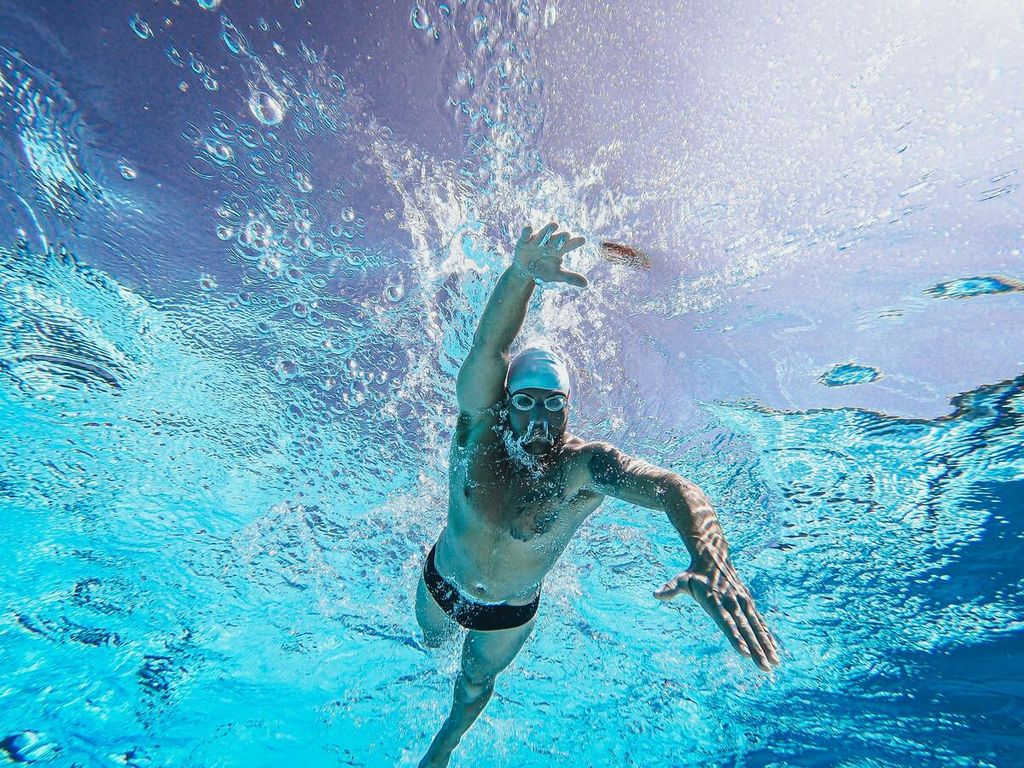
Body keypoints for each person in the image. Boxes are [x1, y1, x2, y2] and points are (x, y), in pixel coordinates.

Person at [415, 222, 780, 767]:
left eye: (554, 404)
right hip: (443, 580)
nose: (540, 418)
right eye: (526, 402)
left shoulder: (583, 467)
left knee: (472, 684)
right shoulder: (477, 431)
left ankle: (440, 753)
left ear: (569, 407)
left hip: (508, 611)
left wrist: (708, 558)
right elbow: (489, 346)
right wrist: (520, 275)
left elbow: (673, 487)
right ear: (505, 402)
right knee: (431, 647)